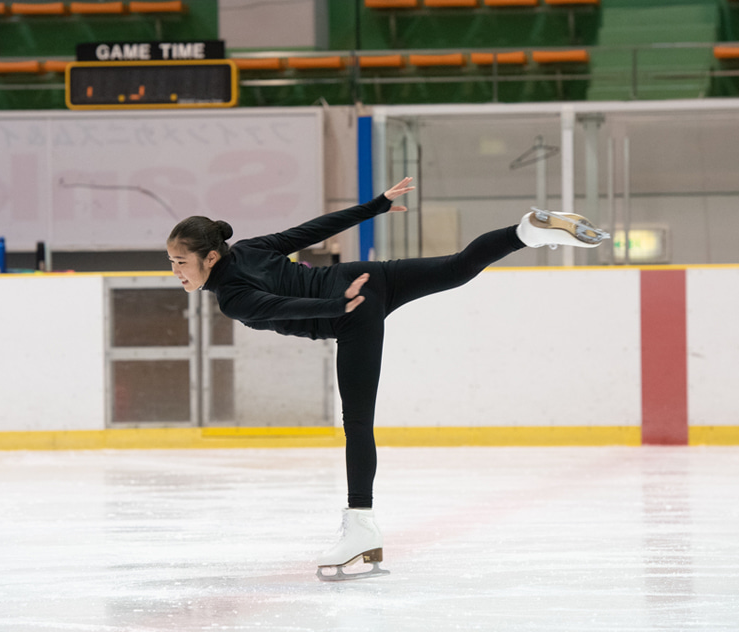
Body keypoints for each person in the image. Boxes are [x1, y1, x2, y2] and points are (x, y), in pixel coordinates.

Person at [166, 176, 606, 581]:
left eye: (182, 261)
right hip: (365, 278)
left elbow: (283, 306)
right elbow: (311, 231)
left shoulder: (232, 296)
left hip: (351, 312)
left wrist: (340, 307)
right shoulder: (250, 249)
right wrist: (375, 206)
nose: (177, 271)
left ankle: (361, 525)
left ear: (210, 257)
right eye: (171, 262)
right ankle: (527, 231)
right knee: (457, 267)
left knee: (357, 422)